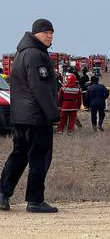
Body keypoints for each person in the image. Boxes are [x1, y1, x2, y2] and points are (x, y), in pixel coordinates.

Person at [0, 19, 59, 213]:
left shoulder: (23, 53)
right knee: (39, 157)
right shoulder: (36, 55)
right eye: (45, 32)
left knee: (19, 155)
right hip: (36, 116)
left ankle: (2, 194)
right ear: (35, 34)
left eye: (52, 32)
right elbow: (39, 87)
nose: (50, 36)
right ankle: (35, 200)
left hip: (21, 116)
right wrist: (52, 114)